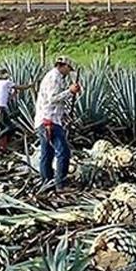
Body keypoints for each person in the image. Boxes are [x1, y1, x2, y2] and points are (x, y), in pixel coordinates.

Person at [33, 56, 81, 190]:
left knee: (47, 153)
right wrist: (70, 91)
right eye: (68, 69)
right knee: (63, 152)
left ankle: (47, 183)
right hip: (49, 121)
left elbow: (54, 103)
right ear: (63, 66)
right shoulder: (54, 78)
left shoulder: (55, 77)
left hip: (46, 119)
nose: (68, 72)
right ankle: (60, 184)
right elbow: (52, 99)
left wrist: (64, 115)